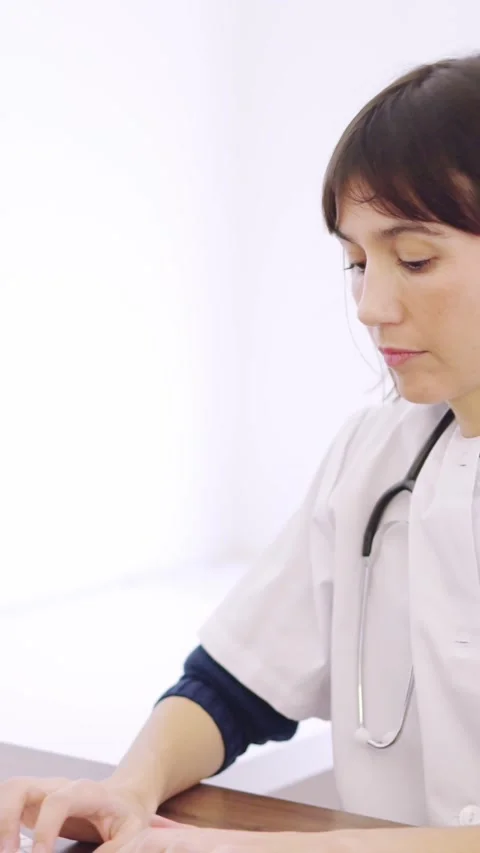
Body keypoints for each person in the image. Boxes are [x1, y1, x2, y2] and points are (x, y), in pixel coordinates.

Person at [3, 50, 480, 852]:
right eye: (355, 262)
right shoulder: (377, 453)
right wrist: (129, 787)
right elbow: (235, 684)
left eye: (415, 259)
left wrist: (236, 848)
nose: (368, 305)